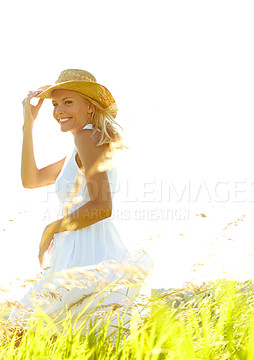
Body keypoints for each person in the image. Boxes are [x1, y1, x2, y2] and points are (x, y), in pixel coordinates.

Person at [8, 69, 153, 335]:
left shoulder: (86, 137)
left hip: (87, 255)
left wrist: (52, 228)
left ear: (89, 106)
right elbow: (32, 179)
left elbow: (102, 206)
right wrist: (28, 126)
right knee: (41, 338)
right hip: (80, 253)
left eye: (68, 102)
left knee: (20, 330)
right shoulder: (83, 142)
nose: (59, 110)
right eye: (55, 104)